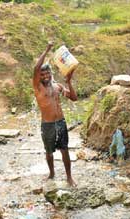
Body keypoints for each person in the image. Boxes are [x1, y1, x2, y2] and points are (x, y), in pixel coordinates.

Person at [33, 42, 78, 187]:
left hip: (60, 122)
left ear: (51, 74)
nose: (45, 76)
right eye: (43, 74)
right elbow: (36, 68)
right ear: (39, 77)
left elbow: (73, 98)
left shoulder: (57, 86)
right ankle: (51, 173)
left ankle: (69, 177)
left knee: (65, 150)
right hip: (47, 125)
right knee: (49, 151)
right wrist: (47, 50)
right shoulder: (38, 87)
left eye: (48, 73)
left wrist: (68, 82)